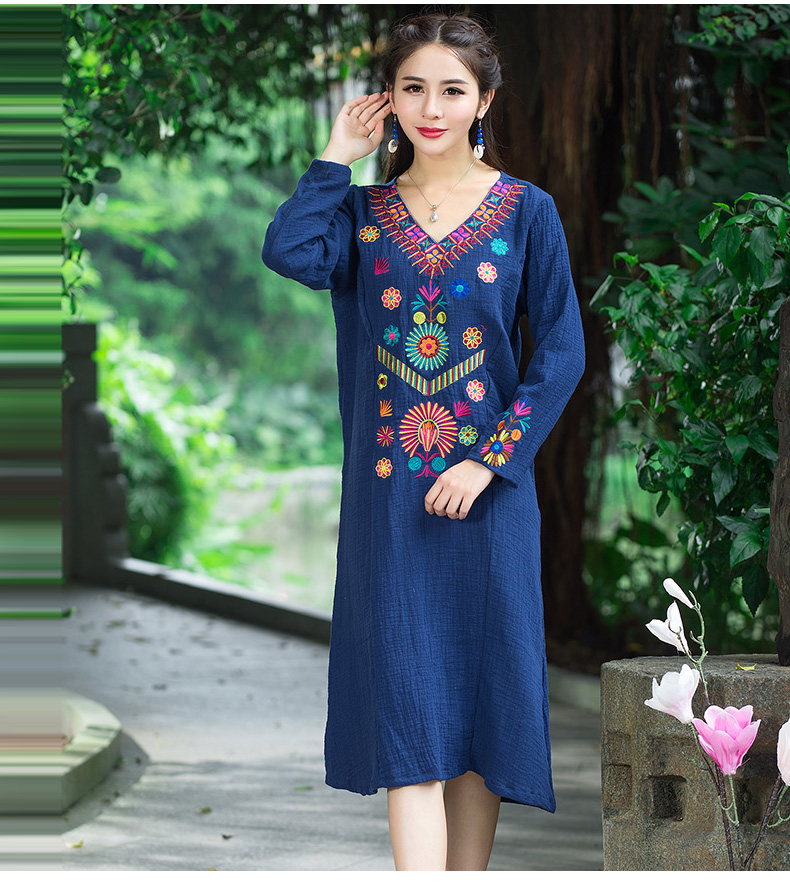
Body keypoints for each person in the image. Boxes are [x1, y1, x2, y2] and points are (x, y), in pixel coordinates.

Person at [261, 12, 585, 871]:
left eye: (451, 90)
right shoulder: (359, 214)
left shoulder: (528, 211)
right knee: (409, 723)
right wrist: (337, 155)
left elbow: (561, 350)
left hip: (490, 501)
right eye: (413, 88)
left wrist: (488, 460)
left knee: (481, 722)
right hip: (392, 507)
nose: (431, 108)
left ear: (485, 101)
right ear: (389, 100)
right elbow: (289, 251)